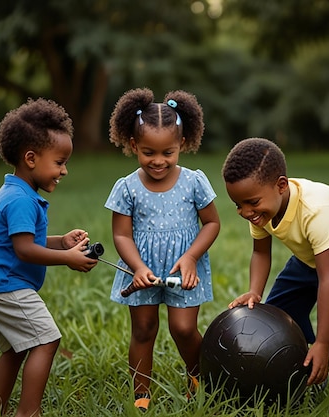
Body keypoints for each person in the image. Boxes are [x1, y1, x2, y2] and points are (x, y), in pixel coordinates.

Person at [222, 138, 329, 416]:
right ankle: (307, 370)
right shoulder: (261, 210)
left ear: (281, 185)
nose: (246, 212)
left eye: (252, 203)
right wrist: (254, 291)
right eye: (238, 205)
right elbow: (260, 253)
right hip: (311, 255)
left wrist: (324, 342)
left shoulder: (314, 209)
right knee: (278, 311)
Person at [0, 98, 98, 417]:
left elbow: (24, 241)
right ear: (31, 158)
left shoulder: (16, 192)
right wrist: (67, 259)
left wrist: (61, 243)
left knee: (14, 349)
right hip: (3, 283)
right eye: (60, 162)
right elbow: (24, 250)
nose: (64, 170)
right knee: (47, 340)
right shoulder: (21, 200)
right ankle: (29, 413)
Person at [105, 88, 220, 412]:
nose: (158, 161)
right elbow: (122, 235)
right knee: (143, 329)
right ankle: (142, 394)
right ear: (133, 146)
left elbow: (212, 223)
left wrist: (191, 257)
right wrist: (138, 267)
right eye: (148, 152)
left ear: (182, 145)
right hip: (141, 269)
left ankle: (198, 377)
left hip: (184, 269)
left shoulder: (194, 182)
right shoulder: (127, 186)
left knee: (183, 328)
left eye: (167, 152)